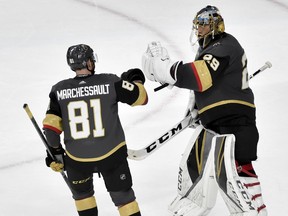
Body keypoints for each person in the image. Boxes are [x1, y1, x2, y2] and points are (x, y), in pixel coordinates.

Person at [142, 5, 267, 216]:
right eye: (197, 25)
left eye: (203, 25)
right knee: (203, 169)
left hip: (234, 121)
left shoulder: (225, 44)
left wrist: (166, 69)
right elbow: (207, 83)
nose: (199, 30)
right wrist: (199, 105)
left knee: (236, 179)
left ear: (216, 25)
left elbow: (200, 76)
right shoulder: (209, 49)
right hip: (219, 121)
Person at [42, 44, 148, 216]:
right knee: (124, 199)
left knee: (82, 197)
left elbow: (50, 129)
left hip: (78, 160)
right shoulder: (111, 82)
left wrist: (55, 153)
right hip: (111, 155)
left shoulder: (58, 90)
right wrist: (135, 81)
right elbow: (141, 98)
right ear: (89, 63)